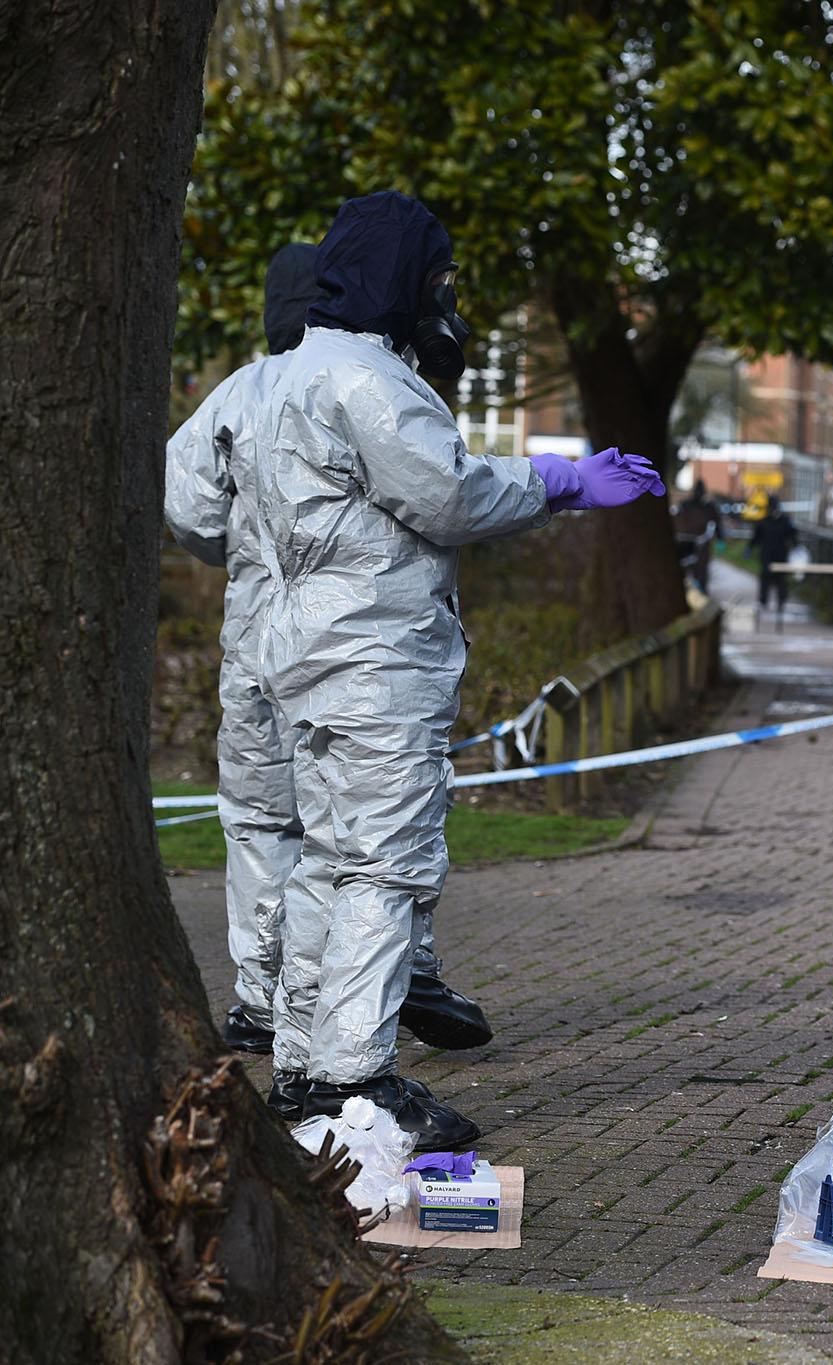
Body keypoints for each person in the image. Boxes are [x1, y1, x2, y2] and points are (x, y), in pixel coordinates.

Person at [248, 191, 665, 1148]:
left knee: (326, 861)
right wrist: (560, 479)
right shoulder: (366, 378)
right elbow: (447, 491)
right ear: (401, 276)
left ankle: (303, 1069)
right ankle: (356, 1077)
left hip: (307, 652)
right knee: (384, 865)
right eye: (439, 277)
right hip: (373, 656)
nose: (447, 298)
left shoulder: (287, 374)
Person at [164, 244, 496, 1062]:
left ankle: (264, 998)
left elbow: (188, 507)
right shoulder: (365, 383)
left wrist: (246, 552)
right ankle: (398, 975)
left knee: (262, 821)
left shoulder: (239, 392)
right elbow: (439, 494)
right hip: (350, 634)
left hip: (256, 636)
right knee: (371, 818)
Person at [752, 496, 798, 613]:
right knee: (765, 579)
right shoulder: (763, 521)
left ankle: (781, 601)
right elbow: (756, 537)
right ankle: (763, 601)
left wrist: (796, 546)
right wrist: (749, 547)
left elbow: (792, 535)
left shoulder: (785, 521)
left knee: (781, 580)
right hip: (766, 556)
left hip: (781, 555)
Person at [675, 478, 718, 592]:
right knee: (683, 570)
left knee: (701, 572)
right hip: (685, 543)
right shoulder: (685, 505)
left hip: (702, 544)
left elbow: (716, 522)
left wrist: (720, 537)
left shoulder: (708, 507)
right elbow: (677, 519)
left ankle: (701, 593)